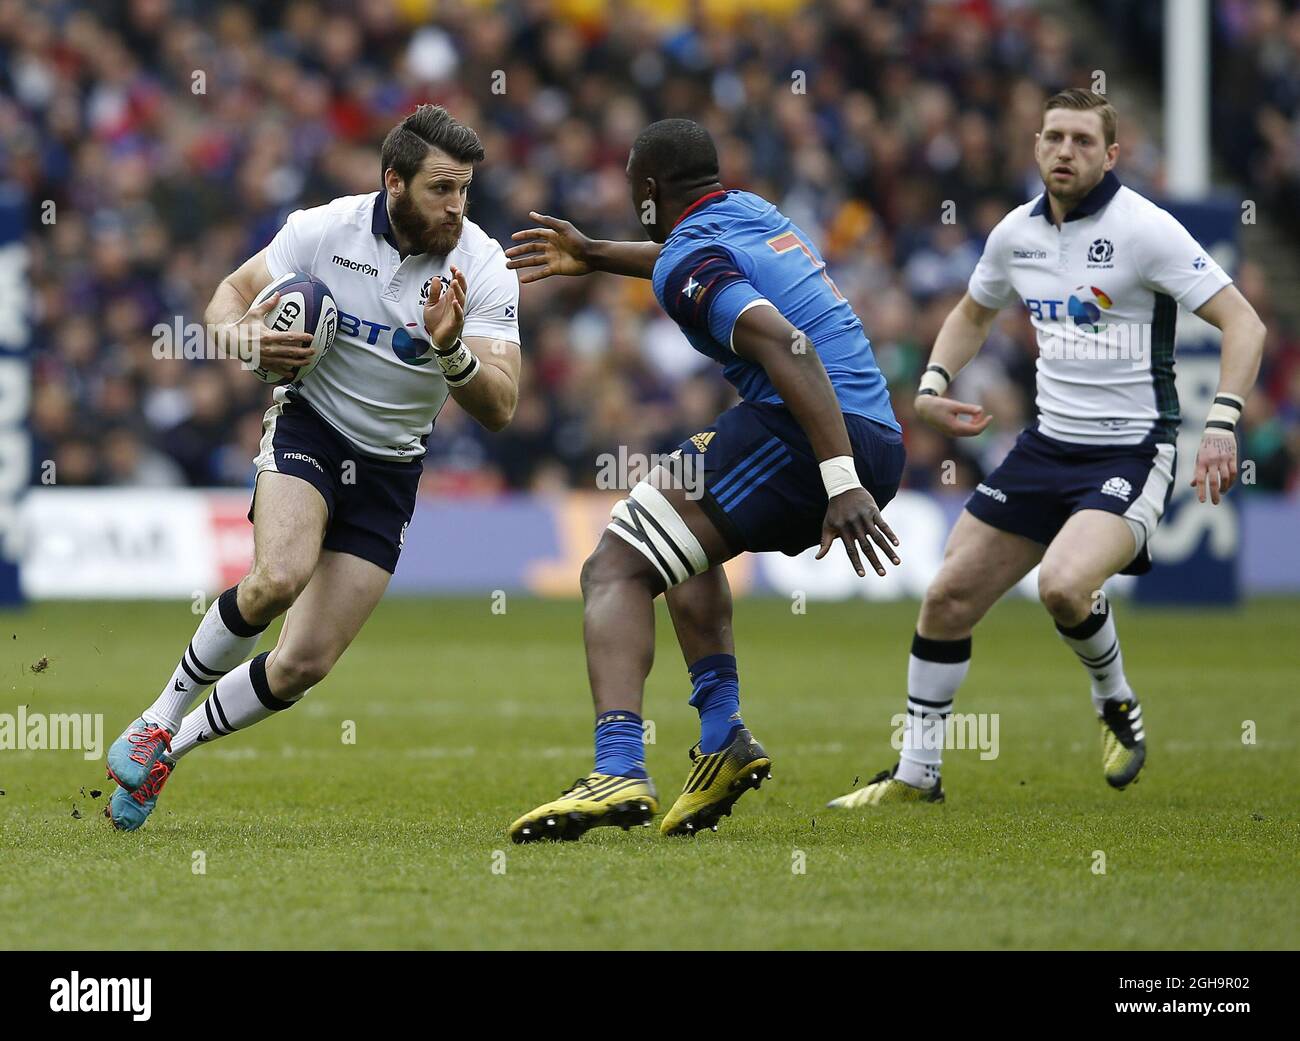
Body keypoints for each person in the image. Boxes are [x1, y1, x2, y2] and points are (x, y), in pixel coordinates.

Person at [827, 89, 1266, 808]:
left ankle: (1115, 698)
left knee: (1062, 585)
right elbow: (973, 310)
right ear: (1036, 145)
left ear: (1111, 154)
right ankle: (916, 777)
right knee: (946, 597)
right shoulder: (1015, 235)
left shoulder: (1146, 230)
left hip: (1133, 452)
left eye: (1083, 141)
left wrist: (1220, 421)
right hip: (1044, 447)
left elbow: (1243, 323)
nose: (1066, 151)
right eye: (1055, 137)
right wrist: (936, 378)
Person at [104, 105, 522, 830]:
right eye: (441, 190)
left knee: (304, 663)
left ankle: (170, 752)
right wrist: (250, 343)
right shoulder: (325, 229)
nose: (457, 207)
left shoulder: (481, 266)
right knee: (278, 576)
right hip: (312, 428)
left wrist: (452, 353)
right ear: (394, 181)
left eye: (464, 191)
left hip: (392, 466)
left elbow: (502, 406)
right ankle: (157, 716)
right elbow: (225, 300)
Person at [503, 118, 904, 841]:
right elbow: (683, 259)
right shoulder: (752, 212)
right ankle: (721, 736)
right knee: (681, 549)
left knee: (615, 568)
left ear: (649, 189)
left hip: (813, 430)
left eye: (633, 188)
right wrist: (593, 252)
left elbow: (787, 340)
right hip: (867, 426)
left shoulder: (686, 258)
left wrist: (839, 480)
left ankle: (618, 764)